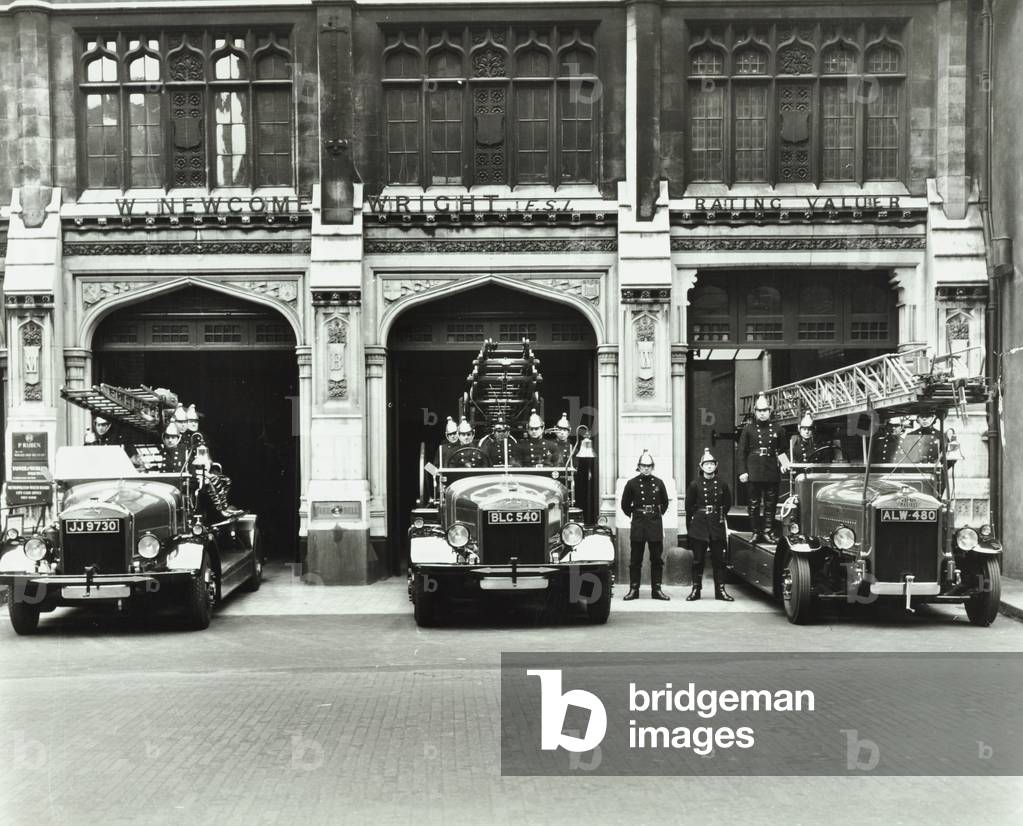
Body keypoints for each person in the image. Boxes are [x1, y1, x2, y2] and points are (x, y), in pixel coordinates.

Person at [737, 392, 789, 543]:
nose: (762, 413)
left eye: (765, 410)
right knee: (753, 503)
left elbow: (783, 449)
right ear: (755, 412)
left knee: (770, 503)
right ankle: (755, 532)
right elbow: (741, 452)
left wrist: (785, 463)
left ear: (769, 411)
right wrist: (742, 471)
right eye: (759, 411)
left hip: (771, 468)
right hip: (753, 469)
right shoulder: (749, 429)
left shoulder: (778, 428)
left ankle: (767, 531)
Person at [620, 450, 671, 601]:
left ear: (653, 467)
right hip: (638, 524)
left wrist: (656, 515)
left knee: (656, 559)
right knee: (635, 559)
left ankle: (657, 590)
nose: (646, 468)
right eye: (643, 465)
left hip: (654, 524)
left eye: (649, 466)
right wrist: (635, 514)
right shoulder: (632, 483)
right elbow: (624, 504)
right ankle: (633, 590)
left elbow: (665, 503)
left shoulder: (659, 483)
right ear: (639, 467)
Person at [685, 448, 733, 602]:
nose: (709, 466)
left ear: (716, 466)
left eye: (712, 464)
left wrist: (718, 516)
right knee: (698, 560)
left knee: (719, 560)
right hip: (699, 525)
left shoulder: (722, 484)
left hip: (716, 524)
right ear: (701, 466)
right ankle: (695, 590)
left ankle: (720, 591)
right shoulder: (695, 484)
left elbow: (727, 504)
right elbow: (688, 507)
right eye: (706, 464)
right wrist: (691, 527)